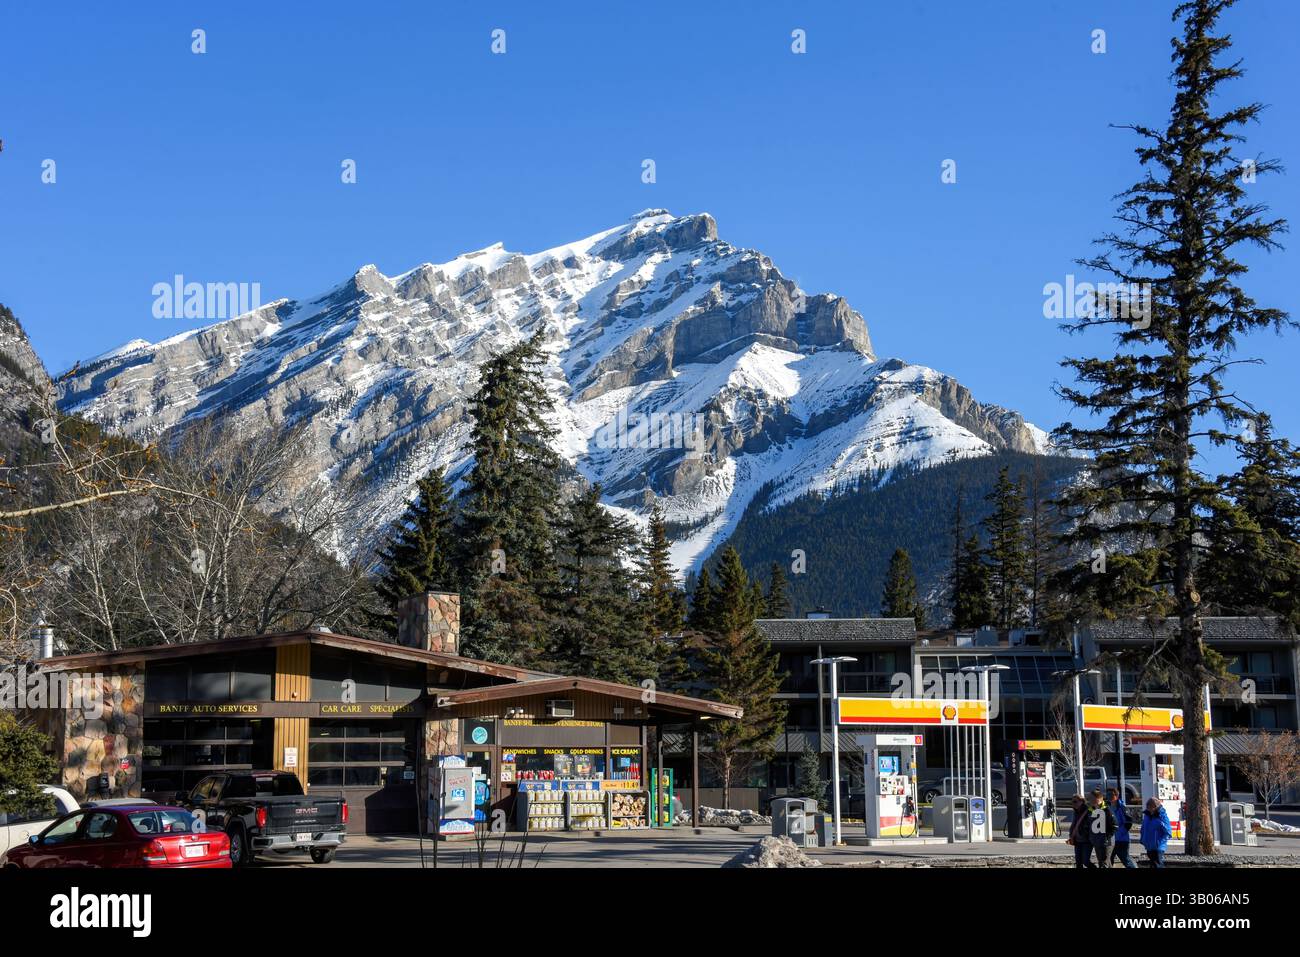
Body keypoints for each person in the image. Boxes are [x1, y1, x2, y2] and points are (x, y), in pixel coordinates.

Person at [1139, 797, 1172, 868]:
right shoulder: (1147, 816)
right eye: (1147, 806)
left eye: (1149, 806)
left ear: (1155, 807)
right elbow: (1143, 828)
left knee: (1157, 864)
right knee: (1153, 864)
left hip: (1158, 846)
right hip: (1149, 845)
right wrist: (1142, 839)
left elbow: (1168, 832)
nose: (1148, 808)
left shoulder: (1162, 816)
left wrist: (1160, 842)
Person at [1108, 786, 1136, 868]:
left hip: (1121, 840)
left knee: (1125, 859)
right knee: (1108, 860)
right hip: (1111, 839)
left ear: (1116, 796)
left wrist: (1119, 833)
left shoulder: (1122, 808)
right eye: (1108, 794)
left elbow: (1128, 823)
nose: (1109, 796)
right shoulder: (1107, 807)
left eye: (1111, 795)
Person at [1087, 789, 1116, 868]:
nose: (1089, 800)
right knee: (1103, 862)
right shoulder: (1091, 810)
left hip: (1106, 842)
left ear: (1098, 799)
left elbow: (1115, 826)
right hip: (1097, 841)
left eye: (1091, 798)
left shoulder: (1107, 810)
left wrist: (1107, 837)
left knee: (1104, 863)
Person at [1067, 795, 1094, 868]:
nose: (1073, 804)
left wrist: (1086, 833)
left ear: (1082, 801)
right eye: (1072, 802)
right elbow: (1074, 824)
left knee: (1086, 861)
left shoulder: (1088, 811)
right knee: (1078, 862)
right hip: (1077, 840)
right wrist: (1071, 835)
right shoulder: (1076, 812)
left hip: (1086, 840)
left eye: (1075, 802)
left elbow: (1091, 825)